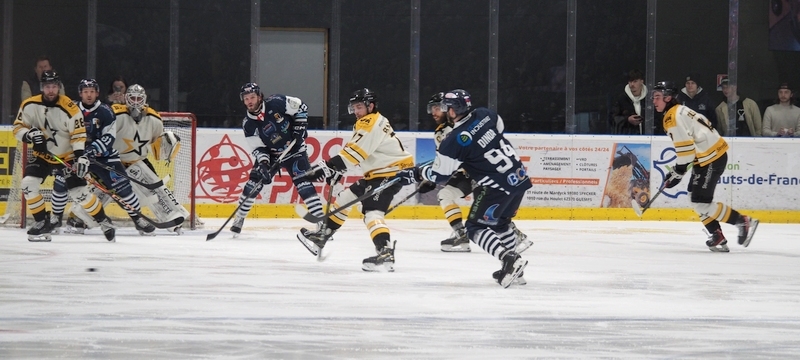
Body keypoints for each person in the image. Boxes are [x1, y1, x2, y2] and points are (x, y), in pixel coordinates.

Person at [396, 89, 530, 288]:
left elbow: (440, 175)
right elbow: (498, 130)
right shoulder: (485, 114)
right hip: (519, 178)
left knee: (475, 228)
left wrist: (416, 174)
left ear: (453, 110)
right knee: (501, 224)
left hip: (496, 186)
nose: (443, 111)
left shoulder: (453, 139)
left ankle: (508, 258)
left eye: (445, 107)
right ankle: (515, 270)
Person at [296, 88, 414, 272]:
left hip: (391, 172)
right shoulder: (369, 121)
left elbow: (356, 153)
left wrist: (327, 167)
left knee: (372, 213)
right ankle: (323, 234)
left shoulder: (370, 122)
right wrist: (338, 168)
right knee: (345, 198)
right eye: (354, 108)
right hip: (378, 173)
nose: (356, 111)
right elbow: (359, 151)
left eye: (359, 107)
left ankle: (385, 252)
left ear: (370, 106)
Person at [652, 81, 758, 252]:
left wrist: (677, 172)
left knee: (701, 202)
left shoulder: (671, 117)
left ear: (668, 98)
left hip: (710, 158)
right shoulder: (679, 110)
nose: (654, 101)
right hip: (707, 157)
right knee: (694, 197)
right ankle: (716, 234)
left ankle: (741, 221)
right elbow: (689, 149)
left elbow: (686, 151)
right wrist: (677, 172)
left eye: (657, 97)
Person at [13, 70, 115, 242]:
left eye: (54, 86)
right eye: (47, 87)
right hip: (42, 155)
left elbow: (78, 135)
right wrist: (29, 135)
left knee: (79, 193)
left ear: (59, 87)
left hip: (67, 156)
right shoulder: (29, 105)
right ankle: (41, 222)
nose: (51, 90)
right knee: (28, 184)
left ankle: (103, 220)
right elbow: (18, 128)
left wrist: (80, 156)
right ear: (42, 87)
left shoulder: (70, 108)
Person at [425, 91, 531, 253]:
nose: (435, 112)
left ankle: (512, 235)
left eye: (438, 108)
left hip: (485, 171)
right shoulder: (441, 133)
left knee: (488, 206)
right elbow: (446, 163)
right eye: (432, 109)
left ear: (450, 109)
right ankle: (461, 234)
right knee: (445, 195)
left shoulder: (470, 122)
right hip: (468, 173)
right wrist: (432, 176)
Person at [48, 79, 155, 236]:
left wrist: (89, 152)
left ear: (97, 93)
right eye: (86, 92)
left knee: (123, 187)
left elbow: (108, 137)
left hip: (103, 156)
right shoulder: (70, 109)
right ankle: (56, 219)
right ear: (80, 93)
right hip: (75, 155)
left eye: (92, 91)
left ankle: (138, 219)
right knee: (60, 183)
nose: (89, 95)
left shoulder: (106, 111)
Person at [230, 83, 325, 236]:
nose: (249, 101)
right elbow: (258, 148)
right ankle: (239, 217)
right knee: (253, 184)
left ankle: (321, 223)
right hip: (272, 155)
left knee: (304, 183)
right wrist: (264, 164)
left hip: (294, 150)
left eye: (252, 97)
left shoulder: (277, 102)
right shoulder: (248, 124)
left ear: (259, 96)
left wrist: (300, 127)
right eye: (246, 99)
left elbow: (301, 107)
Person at [110, 84, 190, 232]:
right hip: (114, 162)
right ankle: (79, 219)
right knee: (101, 190)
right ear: (126, 98)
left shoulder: (154, 118)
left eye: (138, 98)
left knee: (156, 190)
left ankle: (172, 219)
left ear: (144, 99)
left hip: (138, 161)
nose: (135, 102)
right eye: (132, 98)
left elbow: (158, 145)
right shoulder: (115, 114)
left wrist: (168, 144)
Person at [610, 69, 648, 135]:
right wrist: (627, 120)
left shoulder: (649, 99)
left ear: (642, 81)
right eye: (630, 81)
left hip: (648, 137)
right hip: (628, 137)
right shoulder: (621, 99)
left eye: (635, 81)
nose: (632, 84)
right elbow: (612, 119)